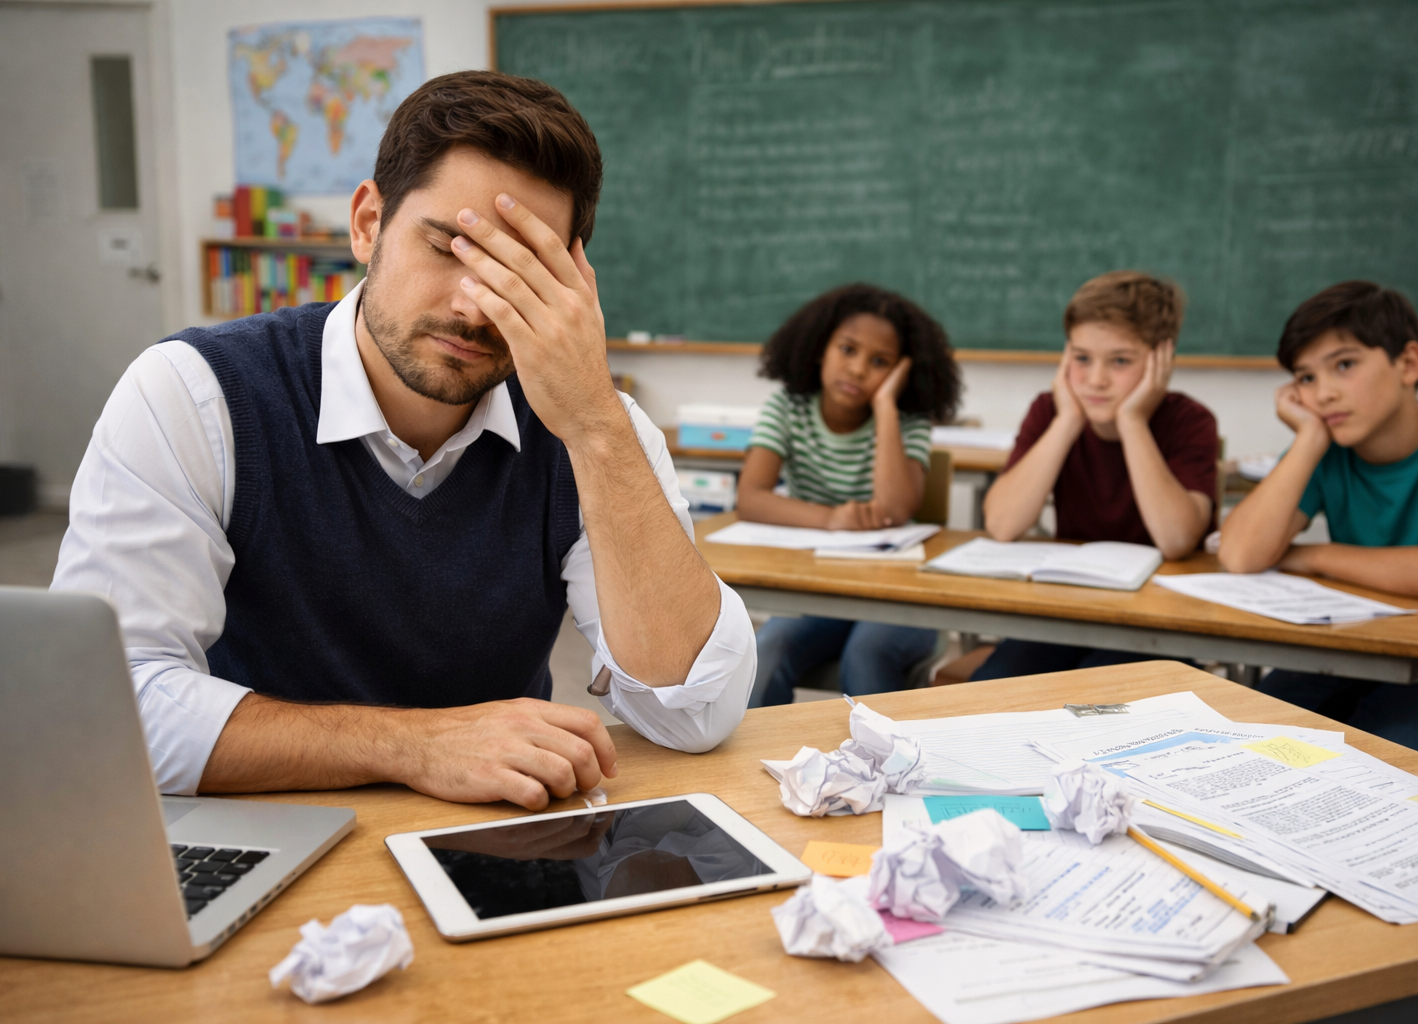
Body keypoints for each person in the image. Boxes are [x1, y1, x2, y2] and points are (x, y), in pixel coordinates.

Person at [51, 71, 757, 810]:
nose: (474, 306)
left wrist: (596, 430)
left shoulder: (591, 430)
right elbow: (101, 711)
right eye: (450, 247)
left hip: (496, 839)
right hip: (260, 829)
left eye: (520, 273)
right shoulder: (193, 395)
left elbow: (694, 713)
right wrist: (414, 744)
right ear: (367, 224)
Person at [1219, 280, 1418, 760]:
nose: (1323, 394)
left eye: (1344, 365)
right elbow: (1239, 555)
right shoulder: (1327, 446)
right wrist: (1306, 442)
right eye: (1305, 378)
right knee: (1238, 747)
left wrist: (1312, 555)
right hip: (1346, 653)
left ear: (1408, 364)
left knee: (1378, 771)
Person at [973, 270, 1218, 681]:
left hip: (1157, 625)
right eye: (1081, 358)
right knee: (990, 687)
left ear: (1162, 359)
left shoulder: (1189, 421)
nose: (1095, 379)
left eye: (1120, 361)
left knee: (1086, 695)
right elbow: (1002, 524)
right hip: (1068, 613)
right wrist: (1068, 419)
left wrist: (1132, 422)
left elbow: (1176, 540)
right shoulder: (1051, 412)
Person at [736, 284, 961, 706]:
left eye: (880, 362)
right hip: (820, 591)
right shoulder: (788, 407)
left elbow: (894, 511)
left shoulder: (906, 422)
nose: (858, 369)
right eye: (848, 349)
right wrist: (831, 519)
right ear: (820, 347)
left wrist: (887, 407)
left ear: (902, 372)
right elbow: (751, 497)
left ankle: (880, 769)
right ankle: (753, 766)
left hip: (898, 595)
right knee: (768, 646)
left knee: (867, 653)